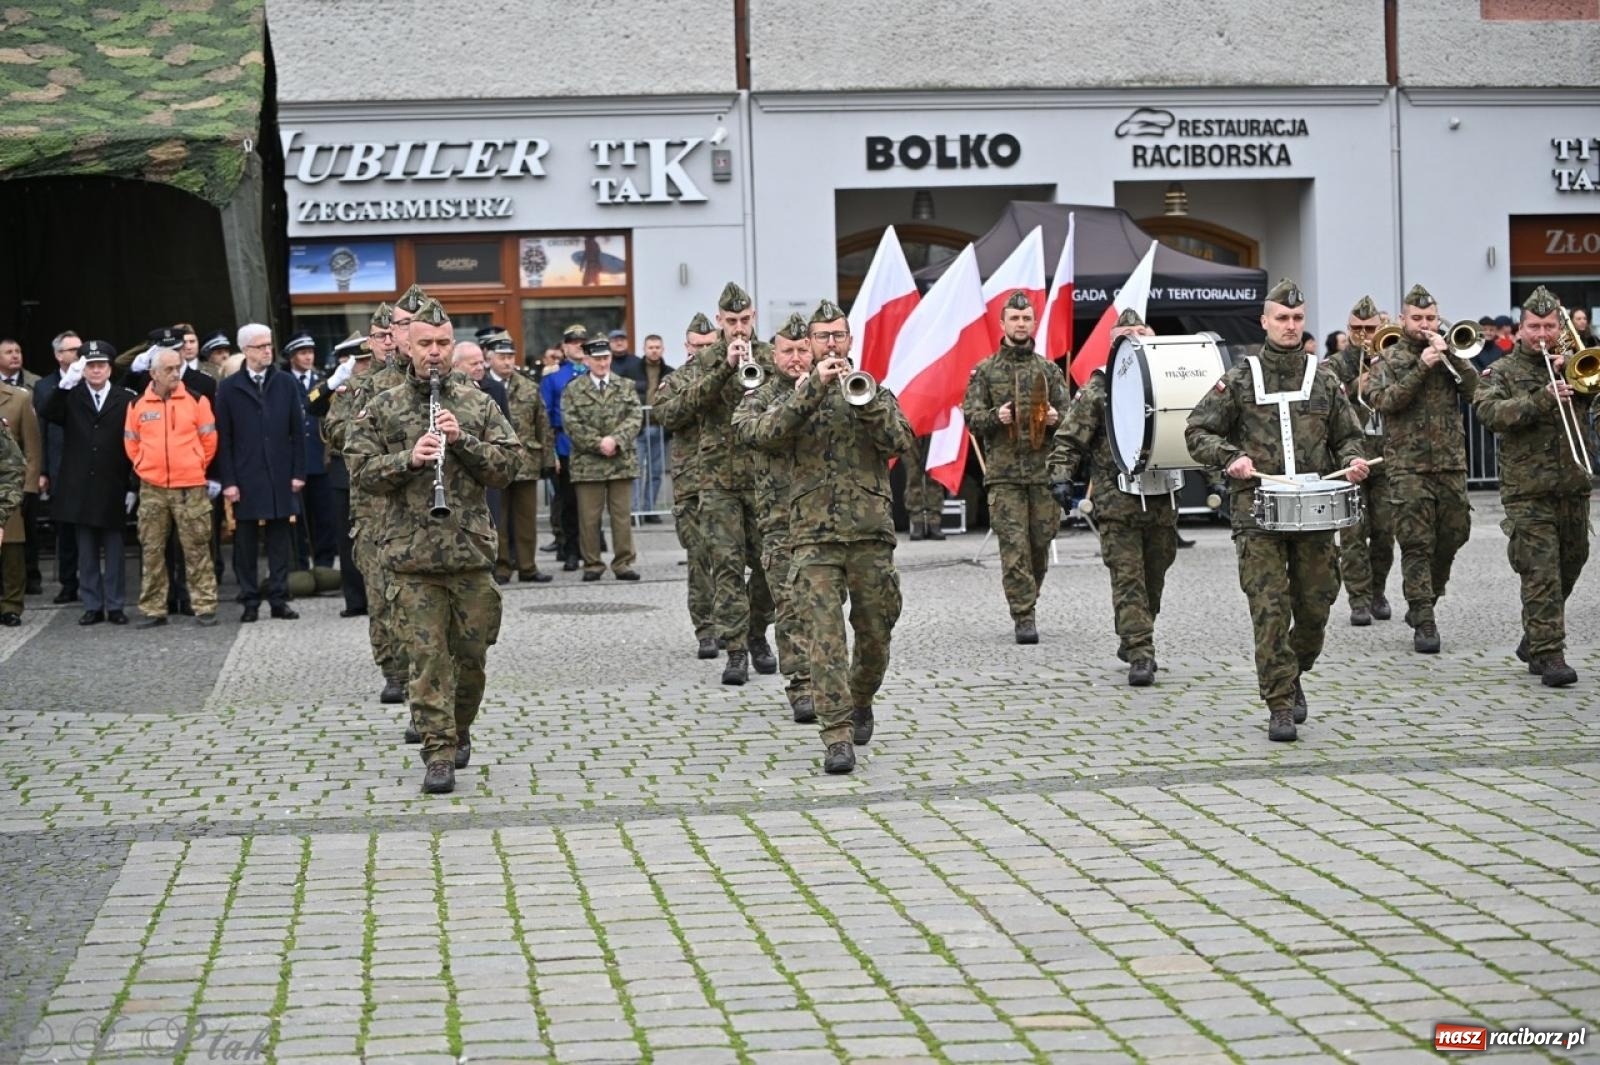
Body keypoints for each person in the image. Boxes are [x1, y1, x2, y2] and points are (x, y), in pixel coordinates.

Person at [345, 297, 521, 794]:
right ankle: (437, 750)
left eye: (443, 343)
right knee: (426, 661)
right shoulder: (383, 406)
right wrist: (409, 458)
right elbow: (359, 472)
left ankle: (460, 727)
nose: (435, 353)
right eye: (426, 343)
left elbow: (509, 467)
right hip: (411, 558)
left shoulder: (477, 402)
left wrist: (461, 440)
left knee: (471, 658)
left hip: (469, 553)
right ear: (408, 345)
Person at [1186, 279, 1369, 742]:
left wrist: (1352, 461)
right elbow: (1197, 431)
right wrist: (1232, 458)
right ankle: (1280, 703)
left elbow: (1348, 436)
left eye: (1297, 319)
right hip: (1257, 514)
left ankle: (1293, 671)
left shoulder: (1323, 377)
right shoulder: (1241, 378)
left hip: (1314, 512)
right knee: (1269, 610)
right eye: (1281, 319)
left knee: (1315, 607)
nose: (1290, 326)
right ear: (1265, 322)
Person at [740, 300, 913, 774]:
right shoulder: (789, 398)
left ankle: (860, 697)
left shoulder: (874, 392)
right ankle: (836, 734)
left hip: (870, 534)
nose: (831, 345)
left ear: (850, 341)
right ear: (810, 345)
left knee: (877, 631)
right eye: (823, 338)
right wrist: (808, 392)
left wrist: (868, 402)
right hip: (813, 539)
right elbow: (759, 434)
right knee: (824, 638)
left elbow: (901, 441)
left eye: (838, 336)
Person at [1048, 309, 1177, 686]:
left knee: (1156, 574)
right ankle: (1140, 651)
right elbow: (1070, 438)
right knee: (1128, 577)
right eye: (1128, 333)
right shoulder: (1100, 387)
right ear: (1115, 343)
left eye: (1142, 331)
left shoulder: (1170, 382)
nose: (1137, 337)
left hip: (1162, 497)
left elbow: (1198, 429)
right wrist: (1060, 477)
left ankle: (1134, 630)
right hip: (1116, 499)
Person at [1473, 286, 1590, 687]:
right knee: (1542, 573)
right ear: (1520, 329)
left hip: (1572, 484)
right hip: (1527, 489)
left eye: (1549, 326)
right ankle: (1550, 655)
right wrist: (1541, 397)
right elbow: (1489, 412)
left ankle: (1536, 636)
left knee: (1572, 563)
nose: (1541, 333)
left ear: (1560, 328)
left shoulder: (1571, 363)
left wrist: (1576, 373)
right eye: (1534, 326)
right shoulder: (1502, 372)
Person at [669, 282, 778, 685]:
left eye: (744, 320)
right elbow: (671, 411)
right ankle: (735, 651)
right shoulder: (702, 362)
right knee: (726, 567)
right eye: (731, 321)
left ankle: (757, 631)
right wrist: (723, 370)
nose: (739, 329)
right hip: (716, 483)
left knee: (769, 565)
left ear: (754, 319)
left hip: (762, 480)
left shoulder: (771, 357)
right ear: (719, 322)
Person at [1366, 283, 1479, 654]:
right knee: (1416, 543)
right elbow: (1385, 401)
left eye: (1430, 318)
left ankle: (1430, 593)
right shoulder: (1389, 359)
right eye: (1417, 318)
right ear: (1403, 319)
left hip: (1450, 462)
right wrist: (1421, 366)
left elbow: (1477, 392)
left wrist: (1453, 358)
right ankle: (1424, 617)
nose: (1424, 324)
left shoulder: (1449, 355)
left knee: (1455, 534)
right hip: (1407, 467)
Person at [961, 290, 1069, 644]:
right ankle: (1024, 614)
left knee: (1039, 544)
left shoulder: (1049, 371)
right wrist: (996, 416)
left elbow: (1073, 421)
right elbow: (971, 418)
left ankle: (1029, 598)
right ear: (1003, 323)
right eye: (1014, 319)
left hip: (1042, 475)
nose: (1020, 324)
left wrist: (1057, 418)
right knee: (1014, 548)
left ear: (1034, 323)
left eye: (1026, 319)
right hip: (1004, 476)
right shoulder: (986, 370)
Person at [325, 303, 413, 712]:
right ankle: (393, 670)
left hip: (412, 504)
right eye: (379, 336)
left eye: (392, 333)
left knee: (414, 593)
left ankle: (421, 670)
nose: (387, 342)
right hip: (372, 507)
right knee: (379, 595)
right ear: (370, 342)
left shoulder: (417, 378)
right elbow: (336, 433)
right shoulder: (357, 385)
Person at [735, 313, 817, 722]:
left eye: (804, 350)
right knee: (790, 606)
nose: (797, 358)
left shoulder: (832, 391)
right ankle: (801, 686)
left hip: (823, 522)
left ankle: (829, 681)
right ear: (774, 354)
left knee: (822, 607)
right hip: (780, 522)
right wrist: (806, 397)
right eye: (789, 351)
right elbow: (763, 432)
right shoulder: (758, 397)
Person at [214, 324, 307, 623]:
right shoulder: (229, 388)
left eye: (269, 345)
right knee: (245, 543)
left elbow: (298, 432)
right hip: (245, 475)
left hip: (280, 473)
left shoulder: (285, 383)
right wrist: (228, 481)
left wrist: (298, 472)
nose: (268, 350)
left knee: (281, 540)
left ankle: (279, 598)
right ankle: (250, 599)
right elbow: (223, 439)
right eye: (260, 346)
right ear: (245, 350)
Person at [40, 339, 136, 625]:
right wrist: (64, 385)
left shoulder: (126, 397)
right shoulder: (70, 395)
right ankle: (93, 604)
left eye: (101, 365)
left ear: (109, 368)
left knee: (116, 550)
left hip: (113, 483)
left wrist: (132, 485)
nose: (96, 371)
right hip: (79, 485)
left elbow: (134, 443)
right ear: (83, 369)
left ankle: (116, 605)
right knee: (87, 551)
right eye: (91, 366)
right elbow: (47, 413)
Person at [123, 347, 219, 627]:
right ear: (153, 373)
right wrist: (144, 464)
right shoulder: (137, 405)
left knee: (197, 548)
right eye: (168, 369)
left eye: (177, 367)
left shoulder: (196, 400)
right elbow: (131, 442)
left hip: (190, 487)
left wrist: (194, 465)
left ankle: (204, 606)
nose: (175, 373)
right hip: (152, 487)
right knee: (152, 550)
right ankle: (154, 609)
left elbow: (209, 441)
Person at [651, 313, 719, 657]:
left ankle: (736, 623)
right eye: (698, 345)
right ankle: (706, 628)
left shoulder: (735, 374)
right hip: (692, 483)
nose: (704, 351)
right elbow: (667, 415)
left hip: (731, 482)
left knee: (735, 559)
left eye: (710, 345)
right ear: (687, 346)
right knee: (699, 559)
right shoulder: (675, 380)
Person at [1325, 295, 1396, 626]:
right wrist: (1358, 384)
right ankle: (1359, 599)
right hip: (1350, 460)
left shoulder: (1393, 359)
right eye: (1358, 328)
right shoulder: (1334, 365)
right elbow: (1331, 414)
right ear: (1348, 328)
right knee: (1353, 533)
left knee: (1384, 531)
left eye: (1370, 328)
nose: (1364, 334)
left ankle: (1378, 590)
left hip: (1385, 457)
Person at [563, 335, 643, 581]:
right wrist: (598, 443)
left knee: (621, 516)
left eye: (606, 358)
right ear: (587, 360)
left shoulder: (625, 385)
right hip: (588, 463)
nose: (602, 363)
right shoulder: (574, 389)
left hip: (620, 460)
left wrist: (615, 440)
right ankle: (593, 564)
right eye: (597, 359)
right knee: (589, 517)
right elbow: (571, 423)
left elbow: (635, 416)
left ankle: (623, 563)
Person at [307, 331, 370, 616]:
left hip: (372, 467)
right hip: (342, 470)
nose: (364, 366)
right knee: (347, 538)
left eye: (367, 360)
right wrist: (335, 381)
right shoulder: (335, 387)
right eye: (359, 361)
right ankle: (355, 599)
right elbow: (312, 403)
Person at [485, 332, 554, 583]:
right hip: (496, 463)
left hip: (526, 461)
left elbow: (543, 426)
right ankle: (502, 566)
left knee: (526, 519)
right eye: (502, 357)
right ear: (489, 358)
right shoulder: (482, 386)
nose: (507, 362)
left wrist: (548, 459)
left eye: (510, 357)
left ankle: (528, 566)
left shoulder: (528, 386)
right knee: (499, 519)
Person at [33, 331, 83, 604]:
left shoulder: (91, 375)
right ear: (58, 355)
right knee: (64, 529)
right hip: (59, 465)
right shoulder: (44, 386)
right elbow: (40, 430)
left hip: (86, 462)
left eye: (79, 348)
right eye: (72, 349)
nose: (77, 353)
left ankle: (91, 581)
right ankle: (68, 583)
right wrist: (42, 470)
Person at [284, 332, 338, 571]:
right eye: (302, 353)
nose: (308, 357)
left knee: (324, 516)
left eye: (310, 352)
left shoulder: (322, 380)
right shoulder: (282, 381)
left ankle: (325, 564)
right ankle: (300, 564)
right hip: (294, 459)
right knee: (297, 517)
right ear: (292, 356)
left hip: (319, 457)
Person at [541, 325, 588, 570]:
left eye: (582, 342)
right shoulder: (554, 376)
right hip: (565, 445)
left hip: (593, 449)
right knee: (568, 502)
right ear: (565, 347)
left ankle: (592, 550)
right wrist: (551, 454)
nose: (578, 346)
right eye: (573, 342)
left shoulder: (595, 370)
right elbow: (546, 417)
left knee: (592, 504)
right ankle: (570, 550)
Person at [0, 376, 40, 624]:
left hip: (6, 487)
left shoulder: (19, 397)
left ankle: (11, 605)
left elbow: (32, 447)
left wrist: (29, 487)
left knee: (12, 549)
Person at [632, 332, 673, 522]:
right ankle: (635, 511)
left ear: (663, 349)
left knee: (656, 472)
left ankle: (649, 510)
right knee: (636, 471)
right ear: (644, 349)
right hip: (638, 427)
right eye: (651, 347)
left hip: (660, 428)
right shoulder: (634, 370)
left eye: (657, 347)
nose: (654, 351)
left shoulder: (670, 372)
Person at [903, 436, 948, 541]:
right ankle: (917, 521)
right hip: (910, 427)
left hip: (934, 429)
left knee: (934, 477)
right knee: (913, 477)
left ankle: (934, 521)